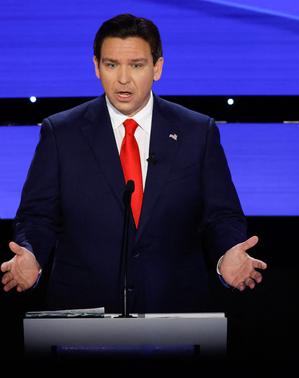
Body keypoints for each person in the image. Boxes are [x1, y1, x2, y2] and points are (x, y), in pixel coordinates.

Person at [1, 13, 266, 312]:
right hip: (83, 311)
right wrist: (32, 254)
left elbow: (221, 215)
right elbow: (37, 216)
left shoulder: (197, 132)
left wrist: (226, 253)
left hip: (175, 309)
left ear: (157, 68)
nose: (123, 79)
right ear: (96, 67)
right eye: (111, 65)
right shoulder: (61, 133)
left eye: (136, 65)